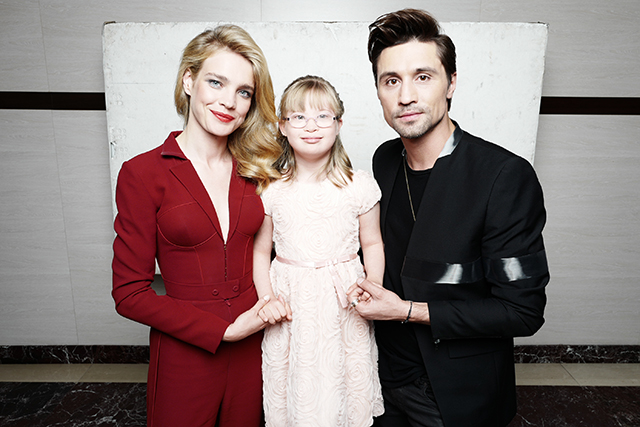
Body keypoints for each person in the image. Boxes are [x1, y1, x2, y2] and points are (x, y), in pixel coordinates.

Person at [347, 9, 549, 427]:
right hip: (379, 379)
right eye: (391, 81)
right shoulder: (385, 159)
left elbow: (522, 312)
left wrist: (407, 311)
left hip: (453, 394)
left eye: (423, 77)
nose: (406, 96)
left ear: (451, 82)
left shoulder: (503, 176)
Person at [111, 25, 291, 427]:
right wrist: (223, 331)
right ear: (189, 81)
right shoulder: (142, 173)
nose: (229, 102)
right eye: (216, 82)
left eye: (244, 92)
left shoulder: (258, 170)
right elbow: (128, 293)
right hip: (186, 350)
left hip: (255, 346)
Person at [253, 75, 385, 426]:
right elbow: (261, 250)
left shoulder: (359, 184)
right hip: (290, 300)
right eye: (298, 117)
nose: (311, 126)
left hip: (343, 298)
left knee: (342, 381)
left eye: (323, 116)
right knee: (296, 385)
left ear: (339, 124)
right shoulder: (270, 188)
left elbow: (373, 242)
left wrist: (373, 284)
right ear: (282, 126)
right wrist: (267, 299)